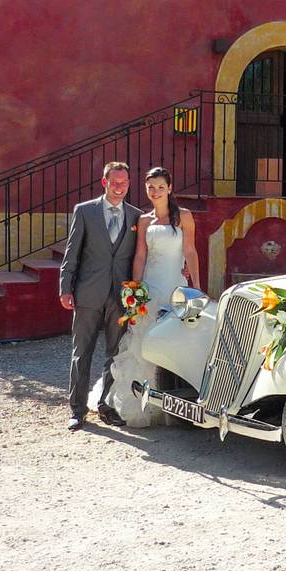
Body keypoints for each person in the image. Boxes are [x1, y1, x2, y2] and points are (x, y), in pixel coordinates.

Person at [101, 166, 201, 427]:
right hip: (151, 287)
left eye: (159, 186)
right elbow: (140, 256)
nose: (155, 192)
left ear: (170, 188)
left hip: (176, 288)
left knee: (177, 342)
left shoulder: (185, 217)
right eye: (150, 187)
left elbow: (190, 252)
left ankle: (177, 402)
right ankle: (142, 404)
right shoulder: (144, 221)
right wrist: (136, 289)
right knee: (144, 344)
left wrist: (196, 288)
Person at [59, 161, 143, 431]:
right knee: (81, 352)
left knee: (115, 354)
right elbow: (72, 252)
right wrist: (65, 287)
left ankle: (105, 404)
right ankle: (77, 409)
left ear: (129, 184)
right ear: (104, 182)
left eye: (124, 183)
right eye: (115, 183)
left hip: (120, 296)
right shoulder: (85, 212)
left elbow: (141, 257)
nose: (120, 188)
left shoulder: (136, 216)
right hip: (88, 292)